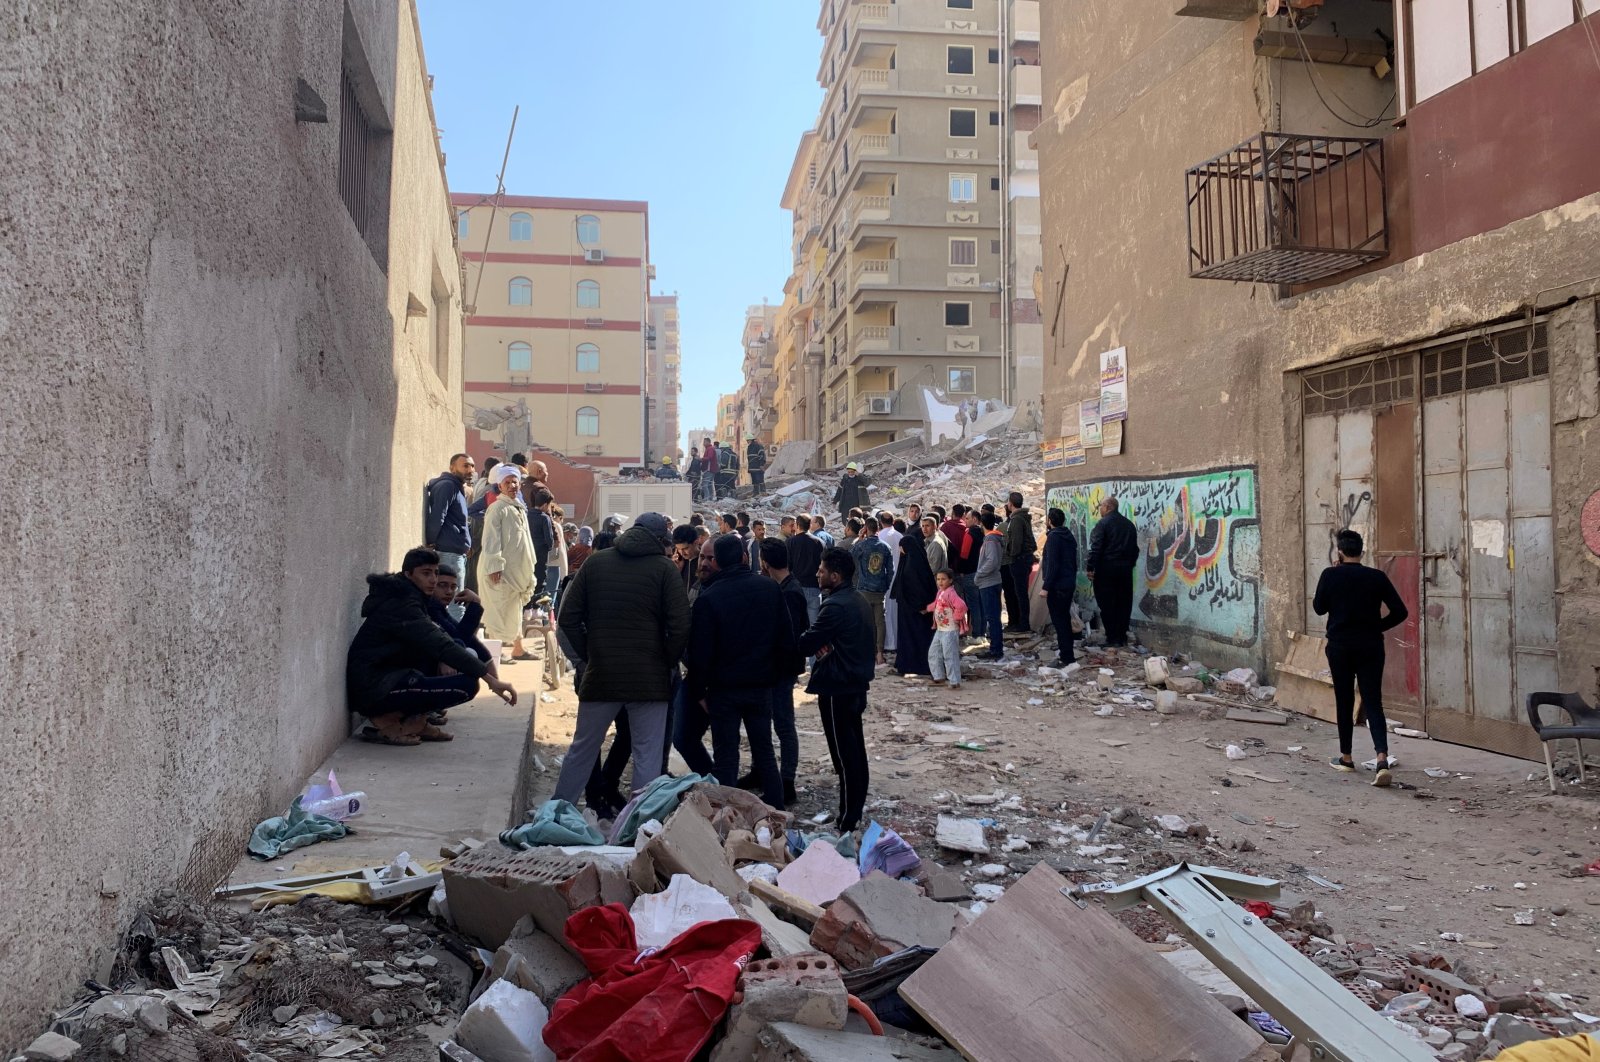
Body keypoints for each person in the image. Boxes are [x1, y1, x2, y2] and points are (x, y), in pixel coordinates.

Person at [553, 513, 691, 806]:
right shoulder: (664, 570)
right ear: (660, 540)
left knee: (582, 749)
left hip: (600, 675)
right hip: (649, 681)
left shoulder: (595, 562)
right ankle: (637, 828)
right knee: (647, 756)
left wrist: (589, 657)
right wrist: (666, 661)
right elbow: (681, 625)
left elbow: (567, 619)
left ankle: (556, 815)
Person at [346, 548, 516, 746]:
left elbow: (452, 639)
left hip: (389, 677)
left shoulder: (416, 599)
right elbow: (440, 643)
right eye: (426, 573)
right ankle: (388, 722)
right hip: (373, 689)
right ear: (409, 574)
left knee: (455, 649)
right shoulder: (402, 605)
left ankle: (416, 721)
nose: (433, 580)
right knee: (467, 686)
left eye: (435, 572)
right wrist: (489, 679)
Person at [687, 534, 791, 809]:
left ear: (718, 562)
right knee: (765, 752)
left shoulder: (709, 599)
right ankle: (776, 813)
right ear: (745, 557)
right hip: (760, 686)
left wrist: (698, 691)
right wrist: (778, 678)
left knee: (726, 758)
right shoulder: (769, 589)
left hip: (724, 691)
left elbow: (700, 652)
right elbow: (786, 639)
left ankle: (727, 822)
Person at [1313, 529, 1408, 786]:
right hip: (1371, 647)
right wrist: (1377, 626)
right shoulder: (1376, 577)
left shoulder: (1330, 574)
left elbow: (1319, 607)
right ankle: (1381, 761)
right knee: (1373, 702)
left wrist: (1333, 575)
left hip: (1340, 647)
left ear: (1339, 552)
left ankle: (1346, 758)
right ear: (1362, 552)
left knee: (1344, 701)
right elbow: (1400, 611)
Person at [798, 548, 876, 833]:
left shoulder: (835, 605)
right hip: (854, 685)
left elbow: (808, 642)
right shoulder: (857, 599)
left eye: (822, 570)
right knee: (855, 750)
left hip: (837, 686)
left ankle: (847, 820)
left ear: (836, 575)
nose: (818, 573)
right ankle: (850, 813)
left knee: (844, 757)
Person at [757, 537, 806, 804]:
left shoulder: (789, 593)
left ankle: (786, 781)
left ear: (765, 563)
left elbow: (789, 636)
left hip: (780, 670)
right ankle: (762, 772)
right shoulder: (787, 587)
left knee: (784, 725)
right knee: (766, 722)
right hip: (776, 668)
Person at [479, 464, 537, 663]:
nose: (512, 485)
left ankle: (518, 649)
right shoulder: (497, 509)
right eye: (508, 482)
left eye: (515, 482)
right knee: (498, 611)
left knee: (514, 610)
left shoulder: (517, 508)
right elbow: (491, 540)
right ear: (500, 486)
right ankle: (495, 653)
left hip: (516, 571)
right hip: (499, 571)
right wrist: (495, 565)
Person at [1086, 496, 1140, 647]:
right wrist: (1129, 565)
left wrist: (1091, 567)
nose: (1100, 510)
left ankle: (1112, 638)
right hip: (1125, 571)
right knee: (1123, 604)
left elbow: (1096, 548)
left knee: (1107, 604)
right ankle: (1121, 637)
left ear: (1108, 507)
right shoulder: (1129, 525)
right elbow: (1135, 550)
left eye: (1101, 507)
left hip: (1106, 570)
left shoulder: (1103, 524)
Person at [424, 453, 475, 613]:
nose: (470, 470)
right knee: (456, 604)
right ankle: (456, 639)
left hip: (455, 553)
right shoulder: (448, 486)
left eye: (472, 466)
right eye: (465, 465)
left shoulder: (457, 487)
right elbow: (438, 515)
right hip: (449, 553)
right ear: (452, 468)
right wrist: (431, 541)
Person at [890, 519, 936, 676]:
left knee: (913, 639)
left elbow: (915, 589)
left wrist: (919, 607)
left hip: (914, 611)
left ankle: (912, 665)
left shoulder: (910, 567)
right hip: (916, 610)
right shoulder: (916, 562)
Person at [1038, 507, 1080, 668]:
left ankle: (1066, 657)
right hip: (1068, 583)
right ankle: (1067, 654)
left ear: (1050, 521)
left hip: (1057, 586)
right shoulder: (1068, 536)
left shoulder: (1054, 538)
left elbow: (1053, 564)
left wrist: (1046, 587)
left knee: (1060, 622)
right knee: (1064, 620)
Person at [850, 516, 893, 664]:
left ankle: (866, 652)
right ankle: (880, 653)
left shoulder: (862, 545)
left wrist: (860, 538)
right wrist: (885, 585)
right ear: (878, 529)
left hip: (863, 589)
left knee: (864, 622)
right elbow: (890, 571)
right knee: (879, 622)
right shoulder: (885, 547)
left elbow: (851, 556)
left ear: (866, 529)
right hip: (879, 590)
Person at [925, 569, 970, 688]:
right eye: (938, 579)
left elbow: (961, 606)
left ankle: (954, 681)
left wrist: (956, 618)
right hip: (940, 630)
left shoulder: (951, 593)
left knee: (949, 655)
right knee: (934, 653)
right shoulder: (940, 592)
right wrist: (928, 609)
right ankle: (939, 677)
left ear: (950, 580)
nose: (940, 582)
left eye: (943, 579)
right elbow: (936, 604)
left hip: (949, 630)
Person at [1001, 492, 1037, 633]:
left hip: (1019, 560)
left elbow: (1016, 543)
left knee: (1020, 594)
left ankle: (1023, 624)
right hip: (1024, 559)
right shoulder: (1022, 518)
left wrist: (1011, 555)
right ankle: (1021, 623)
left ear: (1010, 503)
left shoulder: (1016, 520)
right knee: (1020, 594)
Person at [975, 511, 1006, 659]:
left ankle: (996, 650)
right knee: (993, 617)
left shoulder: (991, 540)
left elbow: (992, 561)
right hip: (991, 581)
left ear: (981, 523)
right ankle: (995, 648)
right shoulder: (992, 538)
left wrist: (979, 573)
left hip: (988, 582)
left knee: (992, 617)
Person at [787, 514, 825, 626]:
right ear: (809, 525)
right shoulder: (820, 543)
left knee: (796, 623)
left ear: (797, 525)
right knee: (813, 625)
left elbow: (787, 566)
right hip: (814, 587)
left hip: (796, 587)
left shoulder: (790, 542)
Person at [955, 506, 984, 635]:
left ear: (975, 519)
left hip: (969, 573)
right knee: (980, 604)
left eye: (967, 518)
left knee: (973, 605)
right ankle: (981, 631)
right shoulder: (983, 533)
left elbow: (964, 555)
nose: (964, 520)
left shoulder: (969, 533)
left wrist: (961, 570)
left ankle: (976, 634)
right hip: (981, 572)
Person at [528, 488, 556, 605]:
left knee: (528, 579)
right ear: (545, 505)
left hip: (527, 552)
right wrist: (549, 547)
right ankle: (535, 607)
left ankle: (526, 606)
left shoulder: (526, 514)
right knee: (540, 579)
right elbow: (549, 540)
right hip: (540, 554)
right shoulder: (545, 518)